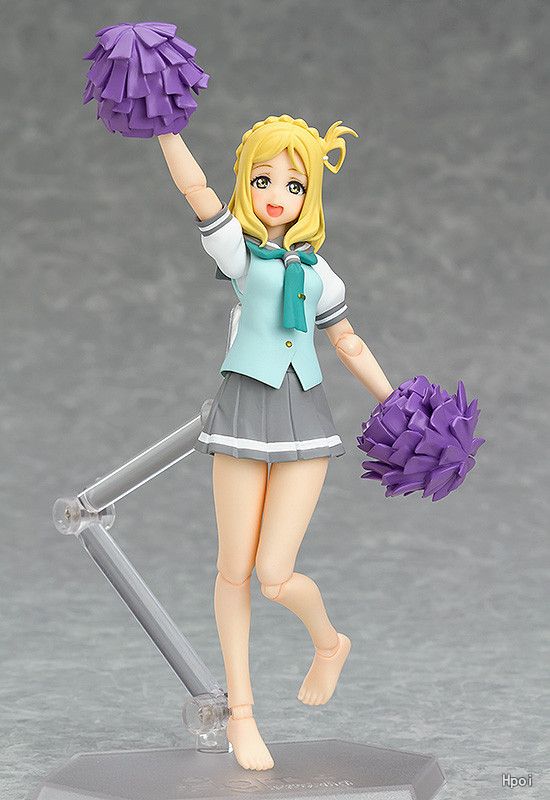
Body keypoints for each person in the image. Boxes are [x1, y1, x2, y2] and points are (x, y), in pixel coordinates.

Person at [158, 115, 393, 771]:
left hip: (305, 420)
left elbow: (348, 342)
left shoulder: (321, 275)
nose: (276, 195)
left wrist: (396, 402)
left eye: (294, 184)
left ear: (309, 195)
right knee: (233, 569)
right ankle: (242, 714)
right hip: (241, 414)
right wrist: (165, 128)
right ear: (246, 183)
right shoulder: (240, 254)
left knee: (274, 576)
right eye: (263, 179)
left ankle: (329, 641)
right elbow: (197, 191)